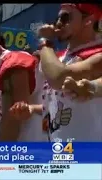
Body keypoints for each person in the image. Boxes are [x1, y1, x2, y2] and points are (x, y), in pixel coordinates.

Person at [38, 3, 102, 141]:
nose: (58, 23)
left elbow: (58, 78)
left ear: (88, 20)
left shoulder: (98, 54)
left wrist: (45, 42)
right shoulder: (58, 58)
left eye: (66, 18)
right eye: (58, 19)